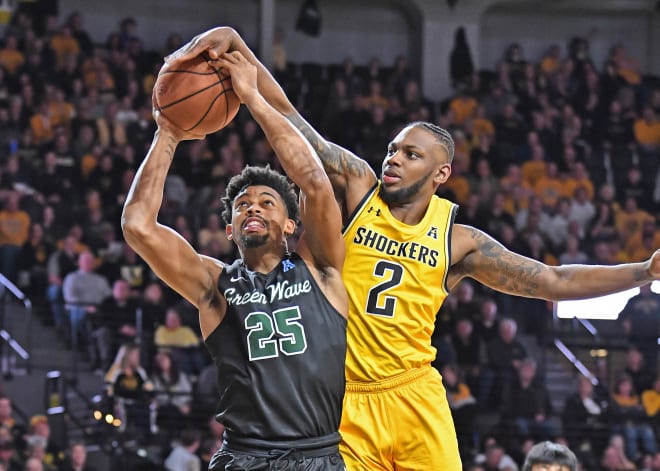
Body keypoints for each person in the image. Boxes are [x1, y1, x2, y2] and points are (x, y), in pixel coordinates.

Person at [167, 26, 660, 470]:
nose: (393, 159)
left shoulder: (458, 239)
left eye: (410, 154)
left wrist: (643, 271)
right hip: (343, 401)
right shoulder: (358, 188)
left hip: (415, 396)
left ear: (440, 174)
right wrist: (237, 44)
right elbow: (292, 118)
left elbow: (554, 281)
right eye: (392, 150)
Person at [121, 50, 347, 470]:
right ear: (229, 230)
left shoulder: (321, 267)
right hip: (245, 457)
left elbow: (315, 182)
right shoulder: (215, 286)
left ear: (291, 225)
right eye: (242, 206)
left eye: (266, 202)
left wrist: (254, 99)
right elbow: (138, 226)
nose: (253, 209)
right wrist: (168, 134)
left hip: (319, 456)